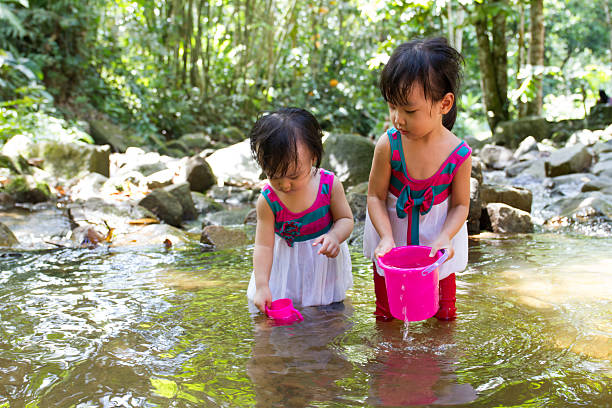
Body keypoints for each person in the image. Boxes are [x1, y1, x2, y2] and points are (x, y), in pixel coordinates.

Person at [363, 37, 472, 321]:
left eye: (409, 111)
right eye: (392, 107)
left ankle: (440, 364)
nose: (398, 119)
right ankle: (390, 364)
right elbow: (374, 196)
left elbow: (461, 205)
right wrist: (386, 236)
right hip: (393, 244)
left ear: (444, 104)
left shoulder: (458, 154)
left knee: (445, 314)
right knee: (386, 314)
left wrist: (446, 237)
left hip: (437, 246)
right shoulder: (389, 145)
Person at [247, 107, 354, 313]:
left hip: (322, 268)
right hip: (286, 271)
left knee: (328, 318)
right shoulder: (268, 200)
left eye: (294, 176)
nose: (285, 185)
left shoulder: (328, 185)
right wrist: (262, 286)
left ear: (313, 157)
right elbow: (263, 247)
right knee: (282, 323)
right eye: (274, 176)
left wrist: (334, 236)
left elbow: (346, 220)